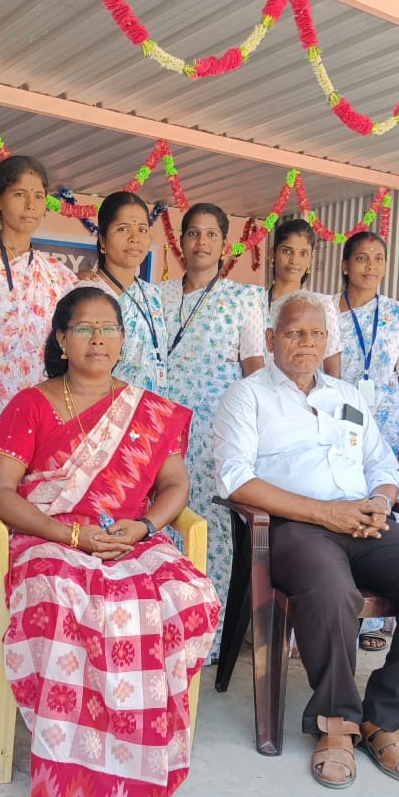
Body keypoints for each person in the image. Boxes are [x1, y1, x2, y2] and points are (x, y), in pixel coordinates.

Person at [0, 286, 220, 797]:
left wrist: (147, 527)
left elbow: (175, 484)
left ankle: (140, 743)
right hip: (51, 536)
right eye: (84, 328)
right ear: (61, 339)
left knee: (187, 594)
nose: (97, 339)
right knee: (62, 595)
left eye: (108, 328)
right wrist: (70, 535)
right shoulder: (30, 404)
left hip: (129, 535)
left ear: (122, 340)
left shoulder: (148, 410)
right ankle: (75, 766)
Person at [214, 290, 399, 789]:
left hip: (361, 520)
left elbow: (382, 465)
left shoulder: (346, 395)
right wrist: (327, 514)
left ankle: (384, 717)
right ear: (271, 339)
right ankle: (335, 721)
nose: (306, 342)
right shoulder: (247, 395)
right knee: (332, 590)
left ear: (328, 340)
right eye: (294, 333)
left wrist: (380, 503)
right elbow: (235, 479)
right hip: (295, 526)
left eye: (315, 333)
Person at [0, 155, 79, 691]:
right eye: (19, 194)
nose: (30, 205)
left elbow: (69, 351)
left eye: (38, 195)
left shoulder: (58, 273)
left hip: (41, 421)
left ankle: (32, 658)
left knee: (37, 533)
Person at [158, 202, 265, 648]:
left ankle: (209, 636)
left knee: (212, 528)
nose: (201, 242)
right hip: (162, 429)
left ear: (224, 244)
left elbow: (255, 372)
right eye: (193, 233)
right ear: (180, 241)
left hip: (215, 434)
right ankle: (163, 626)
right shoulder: (158, 295)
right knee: (162, 521)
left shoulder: (245, 299)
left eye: (211, 234)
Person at [336, 230, 399, 650]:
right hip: (337, 427)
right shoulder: (327, 312)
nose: (370, 266)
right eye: (361, 258)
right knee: (337, 510)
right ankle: (336, 609)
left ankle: (371, 621)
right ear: (345, 265)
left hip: (385, 432)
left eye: (378, 258)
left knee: (378, 514)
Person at [89, 190, 169, 393]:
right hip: (105, 406)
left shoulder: (154, 295)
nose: (135, 238)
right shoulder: (86, 293)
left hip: (152, 407)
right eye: (123, 229)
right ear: (103, 240)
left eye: (142, 229)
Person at [265, 219, 342, 377]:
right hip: (259, 389)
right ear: (272, 253)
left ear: (311, 258)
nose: (294, 260)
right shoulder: (254, 303)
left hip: (307, 390)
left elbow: (333, 370)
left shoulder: (322, 305)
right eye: (286, 251)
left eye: (303, 253)